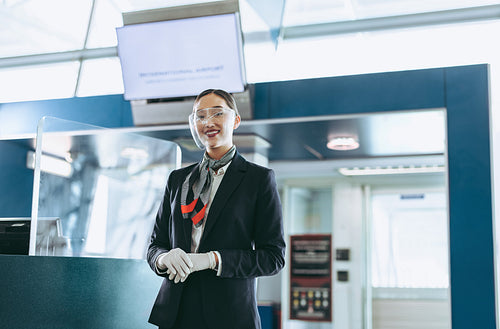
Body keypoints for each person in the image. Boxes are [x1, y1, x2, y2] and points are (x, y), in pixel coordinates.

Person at [147, 88, 286, 329]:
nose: (208, 122)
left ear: (236, 120)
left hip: (229, 315)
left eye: (217, 114)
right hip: (176, 313)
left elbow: (273, 257)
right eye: (200, 116)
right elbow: (154, 244)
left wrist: (213, 260)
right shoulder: (178, 179)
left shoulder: (258, 179)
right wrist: (163, 258)